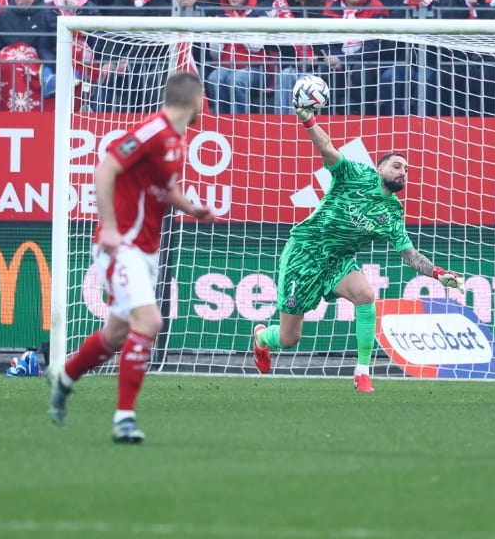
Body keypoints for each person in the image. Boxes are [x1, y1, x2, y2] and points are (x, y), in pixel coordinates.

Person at [251, 101, 465, 393]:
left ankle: (362, 372)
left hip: (338, 260)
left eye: (407, 169)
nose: (403, 171)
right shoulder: (355, 175)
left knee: (365, 294)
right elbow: (327, 149)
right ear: (379, 168)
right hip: (305, 252)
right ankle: (262, 337)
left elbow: (410, 256)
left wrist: (438, 274)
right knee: (290, 339)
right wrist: (308, 120)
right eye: (397, 165)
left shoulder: (393, 213)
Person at [48, 72, 214, 443]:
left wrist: (192, 208)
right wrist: (109, 227)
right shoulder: (152, 131)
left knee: (117, 333)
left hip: (146, 250)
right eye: (205, 97)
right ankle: (124, 418)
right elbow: (106, 167)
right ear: (195, 99)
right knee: (150, 321)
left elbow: (165, 188)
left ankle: (65, 377)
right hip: (120, 245)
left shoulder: (177, 139)